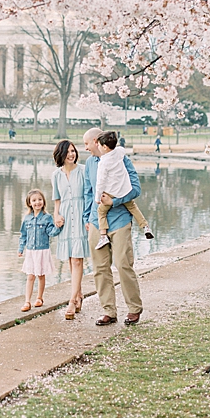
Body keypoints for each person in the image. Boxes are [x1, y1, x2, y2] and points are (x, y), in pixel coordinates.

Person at [83, 127, 144, 326]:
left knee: (123, 264)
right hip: (96, 221)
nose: (85, 149)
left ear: (96, 141)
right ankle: (109, 311)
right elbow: (88, 192)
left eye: (86, 144)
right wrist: (87, 217)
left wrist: (114, 202)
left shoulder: (122, 160)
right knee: (100, 268)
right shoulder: (90, 163)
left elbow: (136, 189)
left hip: (120, 220)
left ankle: (134, 308)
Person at [50, 139, 91, 320]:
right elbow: (57, 200)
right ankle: (79, 294)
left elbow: (89, 195)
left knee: (77, 260)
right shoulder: (56, 175)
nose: (71, 154)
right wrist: (56, 216)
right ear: (61, 154)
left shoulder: (83, 171)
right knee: (70, 259)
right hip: (66, 219)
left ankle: (72, 300)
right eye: (68, 152)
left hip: (81, 217)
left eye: (73, 151)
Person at [94, 131, 153, 249]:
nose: (98, 146)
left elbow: (100, 182)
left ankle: (103, 236)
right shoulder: (120, 152)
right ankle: (145, 226)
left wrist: (97, 197)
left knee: (101, 212)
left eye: (99, 145)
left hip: (112, 193)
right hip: (125, 190)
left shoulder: (103, 163)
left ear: (105, 147)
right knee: (133, 208)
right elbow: (121, 149)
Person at [17, 189, 61, 312]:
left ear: (43, 201)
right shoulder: (27, 219)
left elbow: (51, 232)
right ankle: (27, 301)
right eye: (34, 200)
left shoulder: (47, 218)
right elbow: (23, 235)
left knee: (41, 275)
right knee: (30, 276)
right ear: (29, 203)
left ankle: (39, 298)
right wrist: (21, 248)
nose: (37, 202)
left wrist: (58, 226)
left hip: (42, 251)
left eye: (40, 200)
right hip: (31, 252)